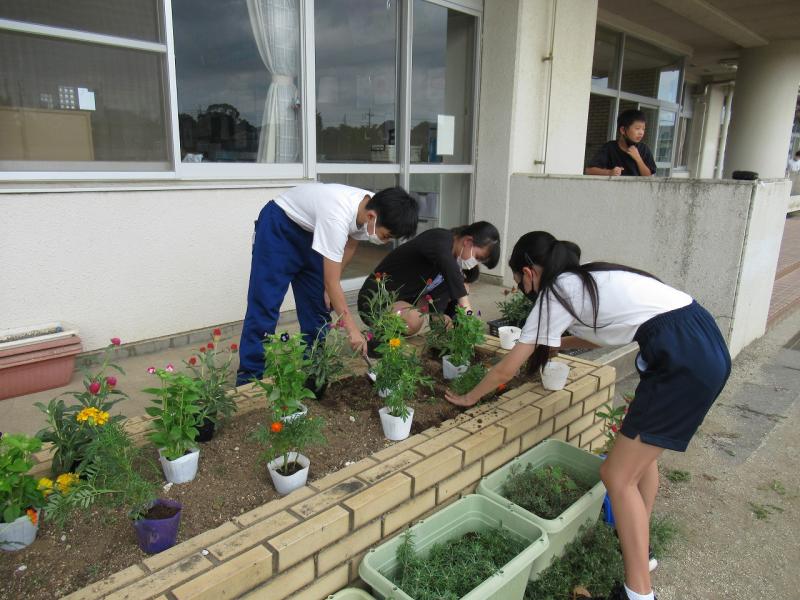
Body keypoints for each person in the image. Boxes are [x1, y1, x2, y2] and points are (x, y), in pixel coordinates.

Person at [445, 231, 731, 600]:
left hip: (682, 359)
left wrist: (469, 397)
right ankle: (642, 555)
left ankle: (638, 593)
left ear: (529, 272)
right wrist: (559, 343)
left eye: (519, 282)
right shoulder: (588, 279)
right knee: (642, 462)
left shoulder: (558, 292)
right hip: (701, 341)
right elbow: (602, 335)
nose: (522, 290)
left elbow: (507, 369)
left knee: (616, 475)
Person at [236, 183, 418, 385]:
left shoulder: (376, 206)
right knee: (265, 304)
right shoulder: (337, 215)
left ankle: (314, 374)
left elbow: (351, 242)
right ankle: (249, 379)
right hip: (280, 227)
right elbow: (332, 283)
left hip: (312, 231)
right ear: (372, 217)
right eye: (385, 236)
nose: (384, 242)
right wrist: (352, 330)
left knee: (318, 308)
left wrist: (329, 287)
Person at [357, 221, 501, 335]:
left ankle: (453, 334)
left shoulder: (451, 264)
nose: (474, 262)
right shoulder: (439, 239)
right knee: (414, 320)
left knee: (460, 289)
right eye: (478, 257)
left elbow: (441, 296)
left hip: (404, 300)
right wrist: (468, 312)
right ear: (468, 241)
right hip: (376, 301)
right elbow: (448, 267)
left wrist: (440, 319)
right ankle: (379, 334)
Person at [585, 109, 657, 177]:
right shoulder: (610, 147)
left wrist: (638, 159)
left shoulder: (644, 149)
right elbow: (589, 171)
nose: (641, 133)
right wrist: (609, 172)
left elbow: (648, 176)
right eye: (637, 128)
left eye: (643, 129)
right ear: (623, 130)